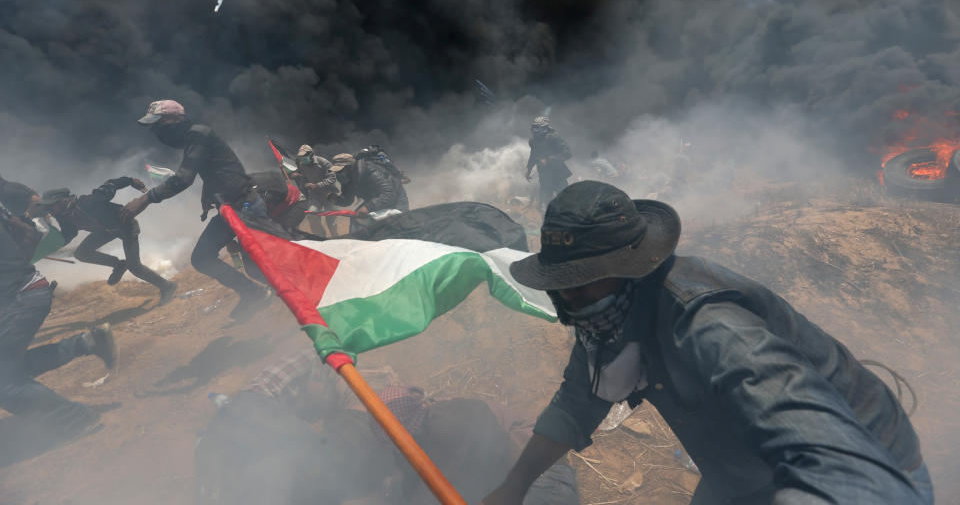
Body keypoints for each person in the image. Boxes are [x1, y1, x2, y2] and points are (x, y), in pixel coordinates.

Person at [482, 181, 933, 505]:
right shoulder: (610, 319)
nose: (566, 300)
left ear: (629, 269)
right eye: (559, 286)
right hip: (742, 472)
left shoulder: (709, 323)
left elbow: (828, 452)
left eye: (580, 284)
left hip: (864, 472)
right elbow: (577, 402)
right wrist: (514, 486)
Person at [196, 349, 578, 505]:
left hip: (539, 477)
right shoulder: (376, 422)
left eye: (298, 392)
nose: (299, 404)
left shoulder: (442, 418)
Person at [120, 100, 272, 321]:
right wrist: (209, 197)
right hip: (231, 211)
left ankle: (303, 294)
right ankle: (255, 293)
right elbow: (214, 170)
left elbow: (184, 178)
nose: (155, 131)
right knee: (203, 258)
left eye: (158, 124)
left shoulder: (198, 134)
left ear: (174, 120)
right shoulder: (194, 138)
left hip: (245, 206)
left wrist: (145, 199)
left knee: (255, 265)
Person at [0, 180, 116, 442]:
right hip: (24, 292)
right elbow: (26, 230)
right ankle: (85, 343)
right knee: (9, 364)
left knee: (4, 380)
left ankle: (75, 418)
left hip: (21, 297)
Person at [40, 178, 177, 305]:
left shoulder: (89, 202)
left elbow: (111, 184)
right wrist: (46, 249)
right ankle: (118, 265)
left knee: (134, 266)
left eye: (51, 206)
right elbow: (68, 235)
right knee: (82, 253)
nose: (49, 210)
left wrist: (130, 181)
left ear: (63, 201)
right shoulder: (63, 216)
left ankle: (168, 287)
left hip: (126, 226)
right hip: (105, 231)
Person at [331, 151, 409, 214]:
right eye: (337, 171)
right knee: (357, 218)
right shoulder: (347, 178)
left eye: (341, 169)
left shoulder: (371, 170)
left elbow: (389, 193)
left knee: (395, 224)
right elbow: (348, 200)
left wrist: (368, 207)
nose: (339, 173)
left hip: (397, 200)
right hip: (375, 201)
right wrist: (334, 198)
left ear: (350, 166)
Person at [525, 116, 571, 211]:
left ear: (544, 128)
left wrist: (549, 159)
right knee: (545, 203)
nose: (534, 130)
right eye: (533, 127)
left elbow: (567, 153)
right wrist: (529, 169)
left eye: (537, 127)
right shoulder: (534, 141)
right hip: (544, 176)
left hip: (558, 175)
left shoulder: (554, 137)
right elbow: (533, 155)